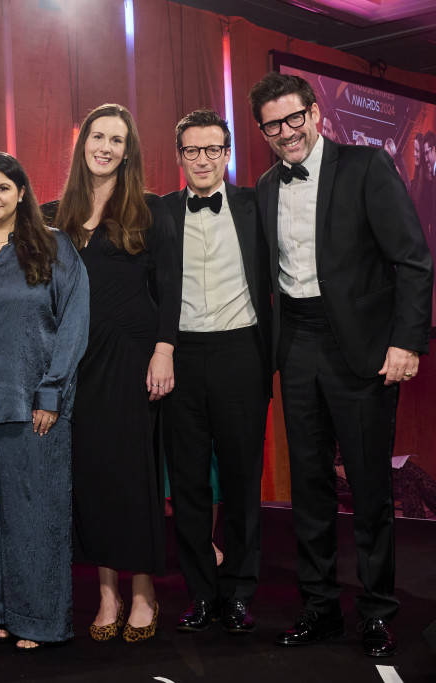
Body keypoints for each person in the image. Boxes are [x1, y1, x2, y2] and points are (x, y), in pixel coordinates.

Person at [249, 72, 433, 658]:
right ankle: (320, 606)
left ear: (314, 114)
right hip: (297, 344)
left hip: (363, 348)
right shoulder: (264, 185)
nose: (286, 132)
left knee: (371, 486)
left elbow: (412, 259)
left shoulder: (366, 166)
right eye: (273, 125)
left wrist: (406, 342)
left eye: (294, 117)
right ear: (264, 132)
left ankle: (378, 611)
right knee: (309, 485)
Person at [46, 103, 181, 644]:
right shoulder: (56, 212)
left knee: (134, 476)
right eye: (97, 136)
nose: (105, 146)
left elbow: (170, 287)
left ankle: (144, 590)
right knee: (91, 476)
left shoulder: (148, 209)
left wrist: (164, 349)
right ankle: (107, 592)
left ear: (129, 151)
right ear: (83, 144)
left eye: (116, 140)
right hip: (77, 362)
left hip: (132, 357)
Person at [0, 151, 88, 651]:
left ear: (22, 193)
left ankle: (42, 621)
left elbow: (74, 322)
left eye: (3, 189)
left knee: (38, 515)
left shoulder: (53, 248)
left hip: (35, 404)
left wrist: (52, 391)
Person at [161, 109, 271, 635]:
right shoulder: (160, 212)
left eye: (213, 150)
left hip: (240, 355)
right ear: (178, 156)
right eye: (192, 150)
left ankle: (240, 593)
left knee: (242, 479)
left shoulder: (255, 206)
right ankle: (201, 593)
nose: (202, 160)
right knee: (186, 485)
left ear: (227, 155)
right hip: (180, 356)